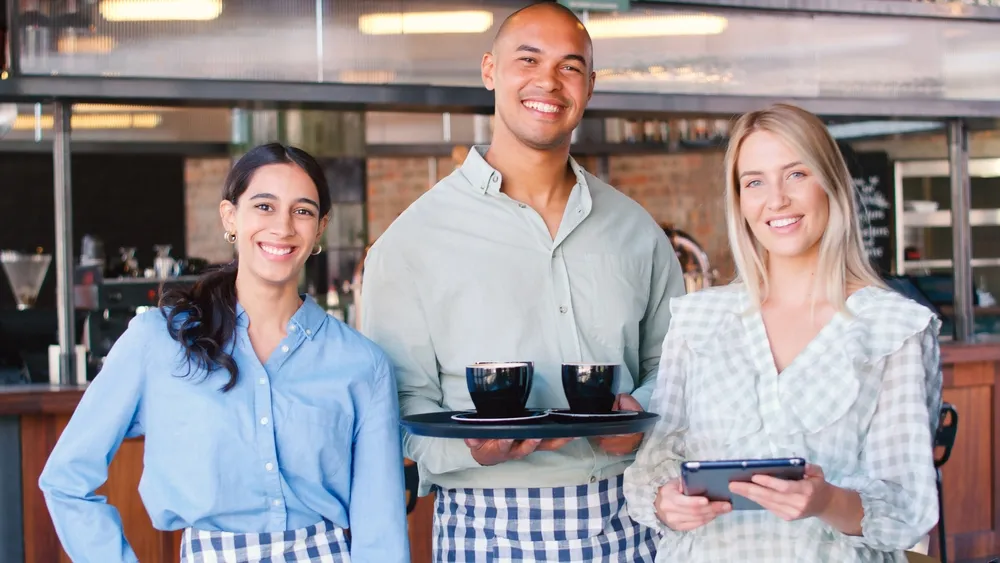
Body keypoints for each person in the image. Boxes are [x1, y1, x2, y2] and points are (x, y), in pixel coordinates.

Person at [361, 2, 684, 561]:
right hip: (486, 527)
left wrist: (636, 421)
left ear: (589, 84)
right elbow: (400, 408)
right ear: (490, 70)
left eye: (570, 66)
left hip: (628, 518)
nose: (549, 82)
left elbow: (677, 367)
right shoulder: (410, 241)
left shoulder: (637, 230)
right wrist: (473, 451)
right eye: (528, 59)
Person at [39, 143, 410, 563]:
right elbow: (66, 479)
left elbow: (381, 529)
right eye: (264, 206)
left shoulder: (363, 364)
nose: (284, 227)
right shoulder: (157, 341)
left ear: (320, 227)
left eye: (302, 211)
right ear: (230, 217)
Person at [622, 103, 942, 562]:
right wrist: (666, 503)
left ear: (830, 183)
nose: (776, 200)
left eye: (796, 174)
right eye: (754, 182)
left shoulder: (893, 328)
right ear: (739, 201)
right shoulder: (698, 320)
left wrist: (826, 500)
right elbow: (653, 471)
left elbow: (908, 509)